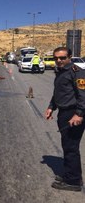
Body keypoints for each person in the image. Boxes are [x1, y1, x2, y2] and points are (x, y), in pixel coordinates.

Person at [44, 47, 85, 192]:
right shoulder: (61, 72)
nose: (59, 61)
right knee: (67, 146)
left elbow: (83, 95)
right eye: (56, 58)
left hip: (73, 113)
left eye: (62, 58)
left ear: (70, 57)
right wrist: (51, 107)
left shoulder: (77, 72)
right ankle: (71, 175)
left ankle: (73, 182)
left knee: (71, 148)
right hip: (64, 113)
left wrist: (79, 114)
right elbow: (58, 93)